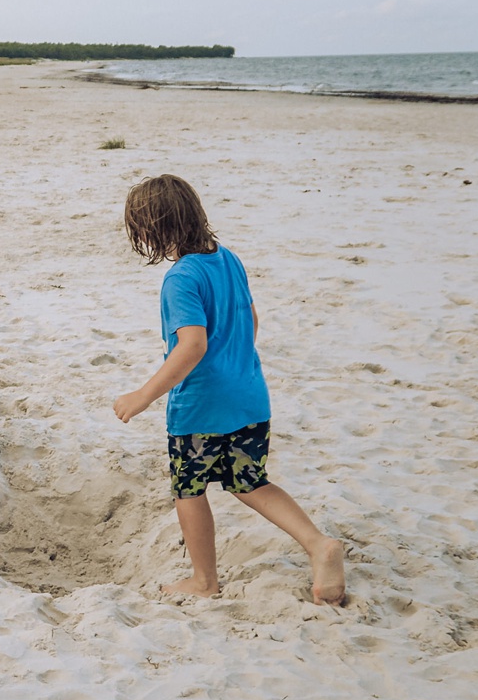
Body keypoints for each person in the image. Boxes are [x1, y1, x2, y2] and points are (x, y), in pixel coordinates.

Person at [113, 174, 346, 606]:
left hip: (201, 406)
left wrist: (143, 396)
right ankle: (318, 544)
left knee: (189, 489)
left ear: (155, 228)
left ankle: (204, 580)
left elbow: (193, 344)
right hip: (250, 396)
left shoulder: (180, 278)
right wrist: (235, 363)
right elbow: (252, 321)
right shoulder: (228, 258)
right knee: (249, 482)